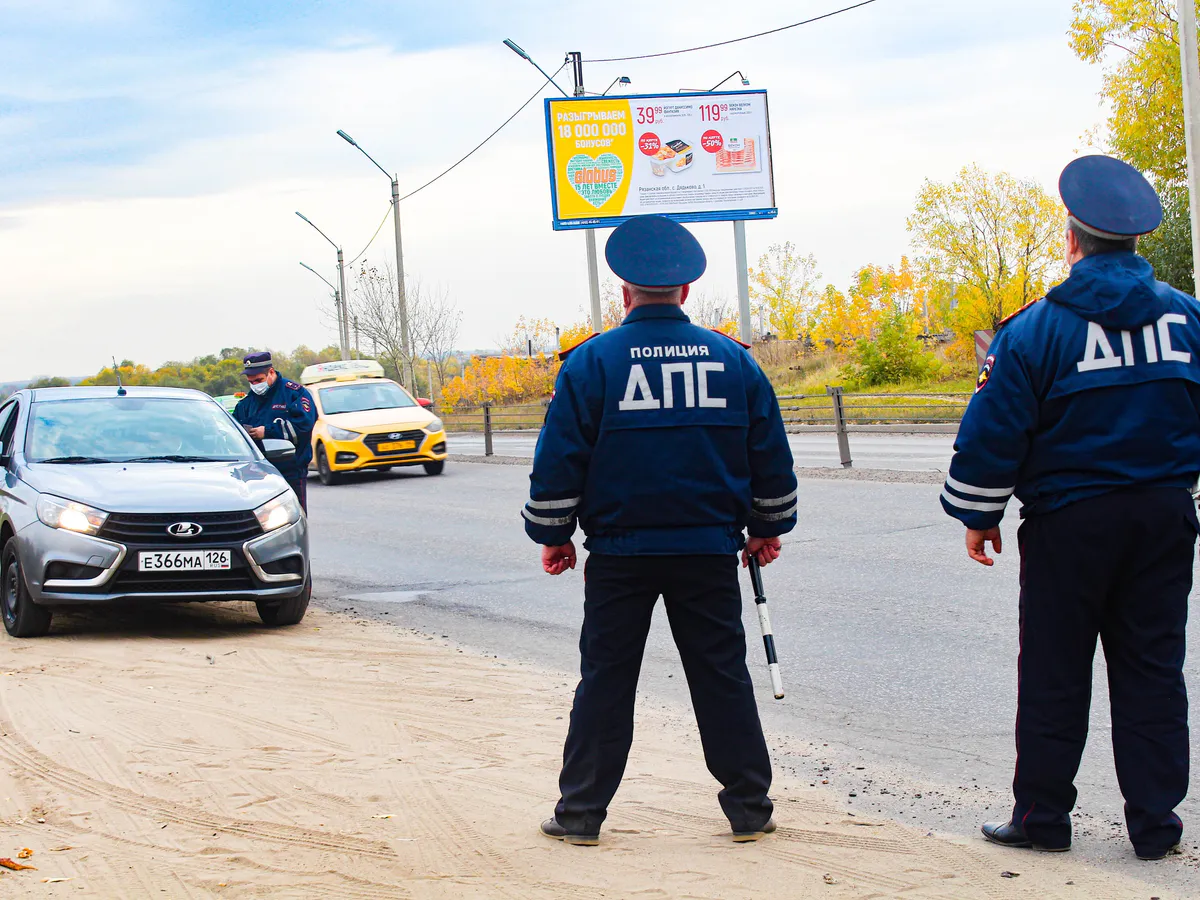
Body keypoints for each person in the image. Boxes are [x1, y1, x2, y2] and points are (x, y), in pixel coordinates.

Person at [941, 155, 1200, 861]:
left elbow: (995, 431)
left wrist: (980, 513)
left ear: (1071, 240)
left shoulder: (1036, 331)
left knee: (1054, 668)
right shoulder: (1187, 318)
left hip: (1070, 524)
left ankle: (1043, 818)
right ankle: (1156, 825)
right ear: (1136, 242)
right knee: (1152, 667)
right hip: (1163, 516)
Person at [523, 214, 798, 846]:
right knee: (721, 675)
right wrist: (766, 525)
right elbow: (769, 456)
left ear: (625, 293)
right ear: (687, 292)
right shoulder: (734, 361)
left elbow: (560, 459)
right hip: (707, 549)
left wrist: (555, 534)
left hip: (620, 554)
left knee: (607, 679)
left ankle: (581, 814)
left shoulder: (590, 364)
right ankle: (750, 808)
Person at [233, 351, 317, 512]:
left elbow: (304, 425)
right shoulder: (245, 404)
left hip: (290, 471)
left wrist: (268, 432)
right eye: (251, 382)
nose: (255, 385)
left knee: (293, 518)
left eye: (259, 380)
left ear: (271, 372)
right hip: (256, 476)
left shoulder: (295, 394)